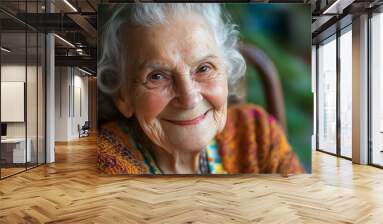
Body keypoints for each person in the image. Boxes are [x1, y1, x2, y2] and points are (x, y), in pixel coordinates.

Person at [97, 3, 304, 175]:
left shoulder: (255, 133)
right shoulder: (106, 162)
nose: (189, 98)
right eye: (157, 76)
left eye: (204, 68)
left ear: (226, 70)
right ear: (123, 96)